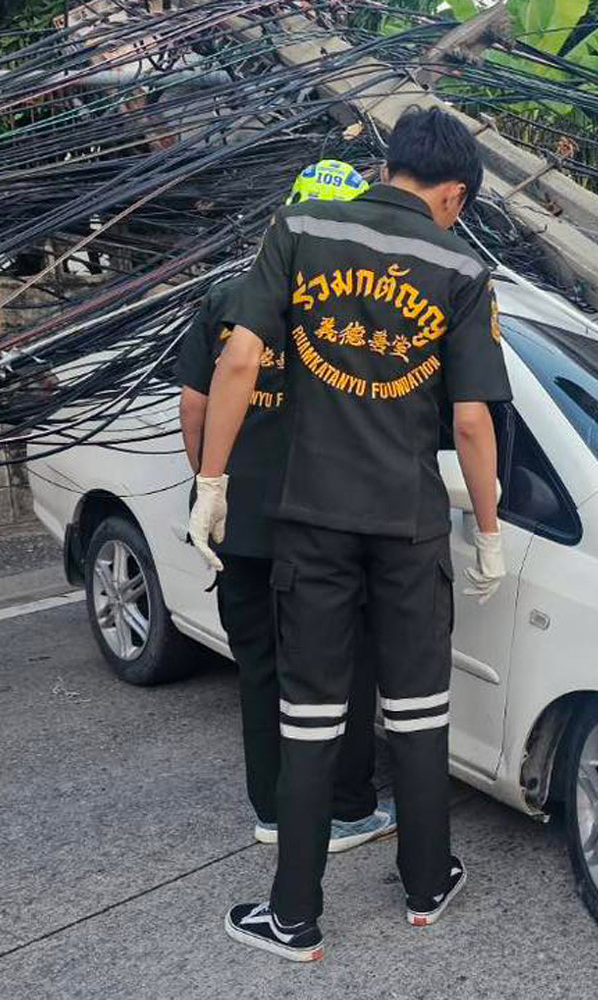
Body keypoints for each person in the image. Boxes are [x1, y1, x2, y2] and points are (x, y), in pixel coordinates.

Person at [192, 107, 511, 962]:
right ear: (452, 193)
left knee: (311, 717)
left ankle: (292, 918)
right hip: (407, 526)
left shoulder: (298, 227)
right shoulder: (461, 266)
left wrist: (211, 482)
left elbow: (237, 361)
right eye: (461, 203)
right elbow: (474, 422)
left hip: (313, 523)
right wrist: (486, 530)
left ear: (390, 164)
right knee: (418, 711)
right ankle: (426, 884)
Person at [176, 160, 395, 858]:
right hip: (327, 529)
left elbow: (194, 406)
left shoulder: (229, 297)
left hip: (238, 526)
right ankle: (348, 810)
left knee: (262, 673)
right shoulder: (363, 314)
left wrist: (214, 481)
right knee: (343, 672)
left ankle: (272, 813)